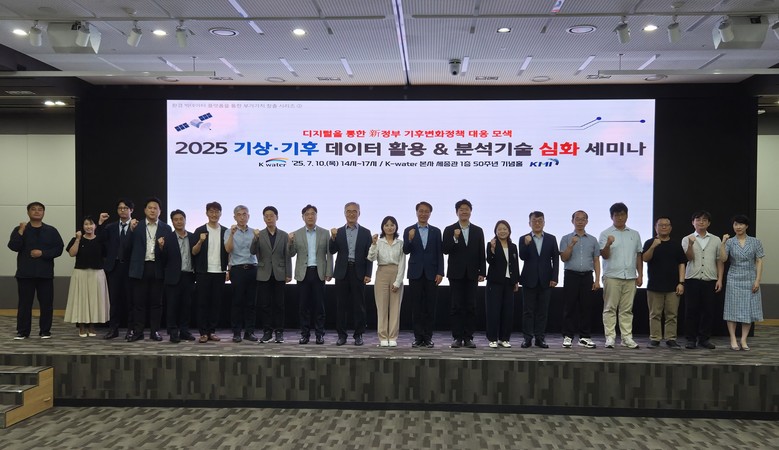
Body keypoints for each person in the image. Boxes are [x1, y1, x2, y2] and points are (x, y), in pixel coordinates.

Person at [7, 202, 64, 340]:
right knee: (24, 305)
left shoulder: (51, 230)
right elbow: (13, 246)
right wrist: (21, 231)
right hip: (25, 274)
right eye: (33, 209)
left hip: (45, 274)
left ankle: (45, 331)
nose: (37, 212)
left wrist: (43, 253)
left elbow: (59, 249)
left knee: (46, 304)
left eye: (40, 210)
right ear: (28, 212)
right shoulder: (20, 229)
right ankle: (22, 331)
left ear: (44, 213)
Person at [442, 199, 486, 349]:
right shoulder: (449, 229)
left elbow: (481, 252)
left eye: (467, 209)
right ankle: (457, 337)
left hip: (473, 274)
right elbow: (445, 249)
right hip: (456, 274)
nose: (464, 211)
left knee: (471, 306)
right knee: (456, 306)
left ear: (470, 212)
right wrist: (455, 238)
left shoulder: (478, 230)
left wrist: (482, 271)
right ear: (457, 212)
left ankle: (468, 337)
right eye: (461, 209)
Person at [127, 197, 171, 342]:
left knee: (156, 303)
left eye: (155, 208)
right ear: (145, 210)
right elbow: (127, 247)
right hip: (140, 268)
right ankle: (138, 332)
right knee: (138, 303)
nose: (152, 210)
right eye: (150, 208)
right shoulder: (136, 226)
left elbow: (169, 254)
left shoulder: (166, 228)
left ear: (160, 211)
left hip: (157, 268)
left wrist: (163, 247)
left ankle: (155, 331)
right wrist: (130, 231)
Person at [599, 202, 643, 349]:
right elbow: (604, 255)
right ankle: (610, 337)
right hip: (612, 276)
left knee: (627, 310)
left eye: (622, 214)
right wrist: (608, 244)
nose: (619, 217)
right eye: (616, 215)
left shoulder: (634, 234)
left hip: (630, 276)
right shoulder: (605, 233)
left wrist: (640, 274)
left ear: (627, 216)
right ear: (611, 217)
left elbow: (638, 255)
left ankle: (626, 338)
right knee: (609, 308)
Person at [329, 202, 373, 346]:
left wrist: (368, 273)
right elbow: (332, 250)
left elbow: (369, 255)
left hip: (358, 272)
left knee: (359, 305)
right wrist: (332, 238)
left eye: (354, 211)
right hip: (342, 272)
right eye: (348, 211)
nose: (351, 214)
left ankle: (358, 335)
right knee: (341, 306)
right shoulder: (338, 232)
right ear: (344, 213)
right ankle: (341, 335)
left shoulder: (366, 232)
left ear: (359, 213)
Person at [289, 204, 333, 345]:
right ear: (303, 217)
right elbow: (291, 253)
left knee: (320, 306)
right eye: (307, 214)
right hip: (303, 273)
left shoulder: (324, 233)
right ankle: (305, 334)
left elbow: (329, 254)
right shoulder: (297, 234)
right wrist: (290, 241)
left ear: (316, 216)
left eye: (313, 213)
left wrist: (329, 272)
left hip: (319, 272)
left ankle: (320, 335)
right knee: (303, 307)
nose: (310, 216)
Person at [720, 215, 764, 351]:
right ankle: (733, 338)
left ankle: (744, 339)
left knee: (748, 309)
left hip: (750, 277)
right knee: (732, 308)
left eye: (741, 224)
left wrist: (757, 280)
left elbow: (759, 261)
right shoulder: (730, 242)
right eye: (735, 224)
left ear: (746, 226)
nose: (738, 227)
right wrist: (723, 243)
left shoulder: (755, 242)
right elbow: (723, 259)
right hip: (734, 277)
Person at [403, 201, 444, 348]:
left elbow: (439, 253)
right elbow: (406, 250)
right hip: (415, 273)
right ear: (416, 212)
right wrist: (410, 239)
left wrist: (440, 272)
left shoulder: (436, 231)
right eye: (421, 211)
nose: (423, 214)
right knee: (416, 307)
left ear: (430, 214)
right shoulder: (409, 230)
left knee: (430, 307)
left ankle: (428, 337)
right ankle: (418, 337)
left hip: (432, 274)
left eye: (426, 211)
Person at [642, 217, 687, 349]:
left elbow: (681, 264)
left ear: (670, 228)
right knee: (654, 314)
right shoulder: (650, 242)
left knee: (672, 315)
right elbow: (645, 258)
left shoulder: (675, 245)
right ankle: (655, 338)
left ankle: (670, 339)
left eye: (666, 225)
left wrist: (681, 282)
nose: (664, 227)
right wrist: (653, 246)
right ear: (655, 227)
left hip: (673, 286)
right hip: (654, 285)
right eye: (661, 225)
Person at [682, 210, 723, 350]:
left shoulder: (716, 240)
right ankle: (690, 339)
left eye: (704, 220)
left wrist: (720, 279)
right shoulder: (687, 238)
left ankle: (704, 339)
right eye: (698, 219)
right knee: (691, 310)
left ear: (709, 223)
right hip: (692, 279)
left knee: (708, 311)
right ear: (693, 222)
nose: (701, 222)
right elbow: (688, 258)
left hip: (710, 279)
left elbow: (720, 260)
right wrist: (690, 245)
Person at [250, 206, 292, 344]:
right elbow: (252, 251)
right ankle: (267, 332)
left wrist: (288, 273)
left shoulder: (284, 235)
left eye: (271, 216)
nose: (269, 218)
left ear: (277, 217)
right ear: (264, 219)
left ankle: (279, 332)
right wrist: (255, 238)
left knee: (279, 305)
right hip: (264, 273)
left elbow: (287, 255)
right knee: (265, 305)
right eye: (266, 216)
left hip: (279, 273)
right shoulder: (259, 234)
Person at [559, 210, 600, 349]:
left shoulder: (593, 240)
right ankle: (568, 336)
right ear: (572, 221)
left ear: (587, 221)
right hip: (571, 275)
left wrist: (597, 280)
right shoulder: (566, 238)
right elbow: (564, 258)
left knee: (586, 307)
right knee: (569, 306)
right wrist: (571, 245)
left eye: (583, 219)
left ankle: (584, 337)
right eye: (577, 219)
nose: (580, 222)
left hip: (587, 276)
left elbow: (596, 260)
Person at [518, 211, 559, 349]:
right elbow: (522, 256)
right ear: (529, 223)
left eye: (540, 220)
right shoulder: (524, 238)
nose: (537, 223)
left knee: (543, 311)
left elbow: (555, 259)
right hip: (529, 279)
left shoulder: (551, 238)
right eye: (534, 221)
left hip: (546, 280)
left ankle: (540, 338)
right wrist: (526, 244)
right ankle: (527, 338)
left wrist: (554, 277)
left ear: (544, 222)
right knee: (528, 311)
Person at [64, 215, 110, 337]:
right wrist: (78, 239)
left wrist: (101, 222)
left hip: (97, 273)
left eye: (91, 224)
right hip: (81, 273)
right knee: (81, 299)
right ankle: (82, 326)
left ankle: (92, 326)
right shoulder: (76, 239)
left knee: (95, 300)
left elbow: (106, 253)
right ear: (82, 226)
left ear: (95, 226)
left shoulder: (100, 240)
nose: (88, 227)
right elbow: (72, 253)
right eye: (86, 224)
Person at [191, 202, 229, 343]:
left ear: (220, 213)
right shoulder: (200, 230)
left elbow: (229, 251)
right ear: (206, 213)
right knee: (202, 303)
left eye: (217, 212)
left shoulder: (225, 231)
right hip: (203, 272)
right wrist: (200, 242)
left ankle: (212, 331)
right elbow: (193, 252)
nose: (214, 214)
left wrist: (228, 269)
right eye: (211, 211)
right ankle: (203, 333)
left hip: (219, 271)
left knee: (216, 303)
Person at [158, 209, 197, 343]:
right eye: (176, 220)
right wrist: (161, 248)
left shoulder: (193, 237)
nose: (179, 222)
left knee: (186, 306)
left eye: (181, 219)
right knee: (172, 307)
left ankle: (184, 331)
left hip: (189, 276)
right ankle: (173, 332)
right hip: (173, 277)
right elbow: (163, 260)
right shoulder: (167, 238)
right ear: (172, 222)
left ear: (185, 220)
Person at [367, 216, 405, 347]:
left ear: (396, 227)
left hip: (396, 272)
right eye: (387, 225)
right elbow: (371, 258)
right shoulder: (378, 242)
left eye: (392, 225)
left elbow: (402, 263)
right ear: (383, 227)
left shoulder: (400, 243)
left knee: (395, 307)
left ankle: (393, 336)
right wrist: (373, 244)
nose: (389, 227)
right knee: (382, 307)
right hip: (382, 273)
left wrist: (398, 281)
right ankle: (383, 336)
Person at [225, 205, 258, 343]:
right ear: (235, 217)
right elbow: (228, 249)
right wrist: (232, 235)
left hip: (253, 269)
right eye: (239, 214)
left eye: (244, 214)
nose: (242, 217)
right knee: (237, 302)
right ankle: (236, 332)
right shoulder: (229, 232)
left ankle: (249, 332)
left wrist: (257, 238)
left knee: (251, 303)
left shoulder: (254, 232)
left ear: (248, 216)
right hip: (237, 269)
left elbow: (259, 252)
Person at [102, 199, 135, 340]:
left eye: (126, 208)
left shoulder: (137, 226)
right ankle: (113, 329)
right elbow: (101, 242)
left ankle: (131, 329)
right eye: (120, 208)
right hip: (114, 267)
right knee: (114, 300)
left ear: (131, 210)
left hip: (130, 267)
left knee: (131, 300)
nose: (123, 210)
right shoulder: (110, 227)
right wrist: (100, 224)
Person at [484, 220, 519, 349]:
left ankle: (504, 338)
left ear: (509, 231)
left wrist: (516, 281)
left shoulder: (513, 246)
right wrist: (492, 250)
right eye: (499, 229)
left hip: (509, 282)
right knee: (493, 311)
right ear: (495, 231)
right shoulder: (491, 244)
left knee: (507, 312)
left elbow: (515, 264)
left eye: (505, 229)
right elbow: (490, 261)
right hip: (495, 282)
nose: (502, 231)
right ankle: (493, 338)